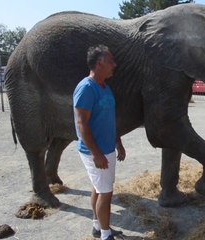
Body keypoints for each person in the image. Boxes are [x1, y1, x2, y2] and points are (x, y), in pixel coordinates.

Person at [73, 45, 125, 240]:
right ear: (99, 63)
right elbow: (81, 123)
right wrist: (96, 153)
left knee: (98, 188)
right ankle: (106, 235)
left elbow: (110, 119)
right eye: (111, 61)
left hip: (106, 148)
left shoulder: (105, 87)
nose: (114, 65)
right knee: (106, 192)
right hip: (95, 151)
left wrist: (118, 142)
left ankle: (98, 226)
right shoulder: (86, 88)